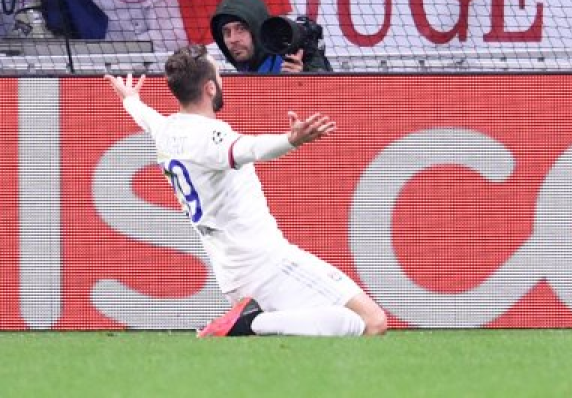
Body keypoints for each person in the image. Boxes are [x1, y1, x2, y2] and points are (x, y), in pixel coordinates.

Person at [105, 47, 387, 337]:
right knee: (372, 322)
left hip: (233, 273)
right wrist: (291, 140)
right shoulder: (209, 137)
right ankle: (248, 324)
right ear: (210, 87)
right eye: (218, 73)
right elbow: (250, 149)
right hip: (267, 264)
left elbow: (146, 117)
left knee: (327, 325)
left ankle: (252, 321)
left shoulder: (167, 130)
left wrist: (131, 99)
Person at [210, 0, 332, 74]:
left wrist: (303, 82)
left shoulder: (288, 63)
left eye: (241, 29)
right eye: (226, 32)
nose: (233, 39)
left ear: (257, 28)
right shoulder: (247, 67)